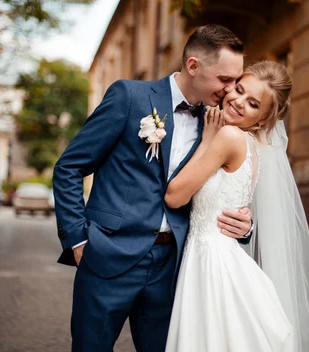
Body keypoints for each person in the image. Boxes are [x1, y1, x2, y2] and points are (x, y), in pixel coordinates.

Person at [52, 24, 255, 352]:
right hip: (108, 256)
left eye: (237, 81)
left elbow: (227, 186)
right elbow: (69, 167)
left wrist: (245, 224)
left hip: (173, 268)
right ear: (193, 66)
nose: (232, 91)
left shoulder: (218, 125)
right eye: (225, 80)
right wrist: (78, 239)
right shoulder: (129, 97)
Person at [164, 61, 309, 351]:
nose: (238, 101)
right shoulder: (255, 148)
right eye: (239, 90)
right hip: (223, 257)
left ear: (262, 120)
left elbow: (174, 196)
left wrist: (206, 141)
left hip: (211, 263)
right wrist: (248, 224)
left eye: (252, 103)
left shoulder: (227, 136)